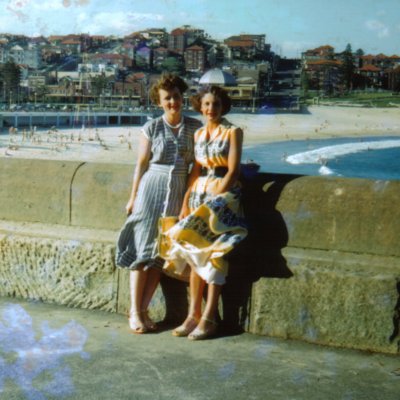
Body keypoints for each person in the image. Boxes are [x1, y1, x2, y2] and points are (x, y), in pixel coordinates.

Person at [115, 74, 202, 334]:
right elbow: (141, 164)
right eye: (167, 98)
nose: (173, 102)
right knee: (142, 251)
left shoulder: (195, 127)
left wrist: (187, 200)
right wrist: (133, 197)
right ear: (159, 102)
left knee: (158, 257)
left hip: (177, 192)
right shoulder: (151, 127)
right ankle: (135, 312)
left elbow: (196, 168)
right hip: (150, 188)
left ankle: (144, 309)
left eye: (176, 96)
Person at [161, 85, 248, 340]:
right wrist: (186, 200)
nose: (211, 109)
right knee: (192, 253)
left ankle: (209, 317)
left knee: (215, 255)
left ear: (223, 107)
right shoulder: (198, 134)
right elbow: (195, 170)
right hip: (199, 192)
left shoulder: (233, 132)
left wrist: (216, 199)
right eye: (207, 104)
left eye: (216, 105)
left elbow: (233, 170)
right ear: (200, 106)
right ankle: (193, 314)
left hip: (222, 197)